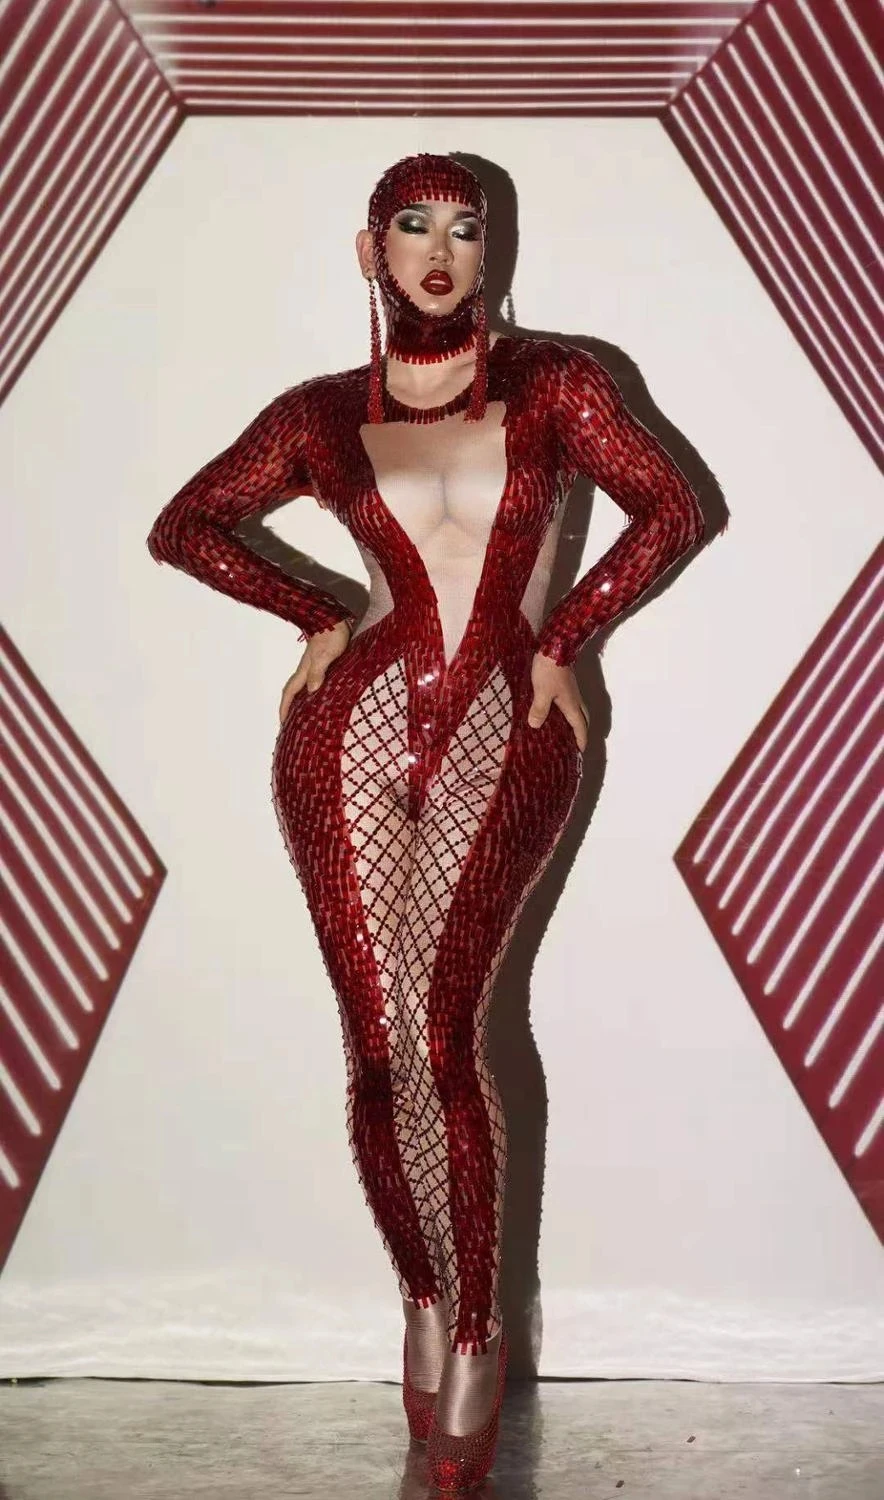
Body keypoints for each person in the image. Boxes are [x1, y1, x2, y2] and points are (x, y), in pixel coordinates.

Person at [147, 152, 705, 1492]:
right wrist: (317, 614)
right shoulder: (320, 415)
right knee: (374, 1049)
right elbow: (186, 526)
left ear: (490, 251)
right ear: (371, 251)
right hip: (347, 730)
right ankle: (416, 1285)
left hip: (509, 725)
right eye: (415, 227)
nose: (443, 251)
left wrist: (565, 638)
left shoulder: (557, 382)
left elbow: (673, 509)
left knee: (445, 1033)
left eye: (467, 228)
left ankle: (475, 1325)